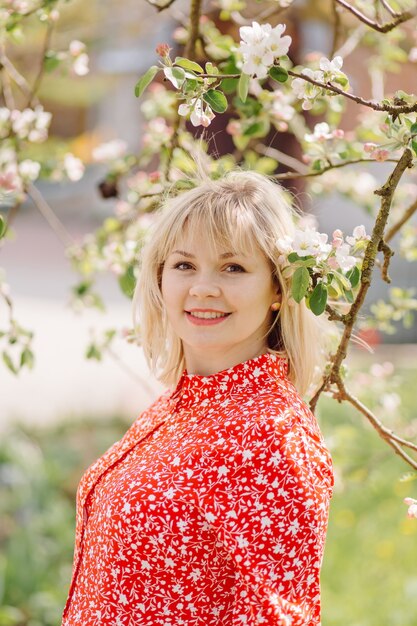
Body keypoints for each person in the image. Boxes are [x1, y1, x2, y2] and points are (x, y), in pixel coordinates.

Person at [61, 169, 334, 626]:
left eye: (233, 267)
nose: (203, 287)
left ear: (278, 288)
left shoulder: (272, 437)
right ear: (161, 278)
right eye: (184, 264)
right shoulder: (177, 406)